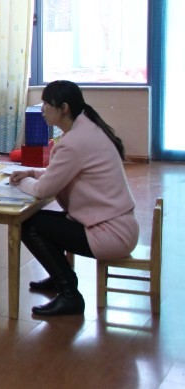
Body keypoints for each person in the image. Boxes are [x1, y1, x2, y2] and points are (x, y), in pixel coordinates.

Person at [9, 80, 138, 317]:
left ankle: (69, 294)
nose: (42, 109)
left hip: (110, 234)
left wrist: (18, 183)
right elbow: (61, 172)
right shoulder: (86, 129)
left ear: (64, 108)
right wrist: (31, 173)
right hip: (117, 226)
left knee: (29, 225)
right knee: (43, 221)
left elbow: (42, 190)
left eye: (46, 104)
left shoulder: (76, 141)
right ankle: (60, 276)